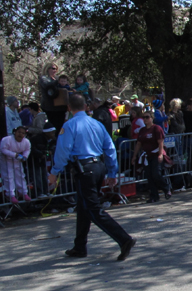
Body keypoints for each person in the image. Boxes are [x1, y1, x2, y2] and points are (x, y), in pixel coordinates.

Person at [48, 93, 136, 261]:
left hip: (84, 169)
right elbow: (110, 148)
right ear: (86, 106)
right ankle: (79, 246)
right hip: (98, 167)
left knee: (92, 209)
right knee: (83, 207)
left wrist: (54, 172)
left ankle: (124, 239)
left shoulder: (69, 125)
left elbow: (63, 150)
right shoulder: (97, 124)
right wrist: (112, 172)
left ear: (69, 108)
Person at [132, 112, 172, 203]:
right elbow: (139, 144)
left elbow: (160, 142)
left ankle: (166, 188)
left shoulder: (156, 128)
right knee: (149, 176)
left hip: (156, 154)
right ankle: (154, 196)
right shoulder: (142, 130)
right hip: (146, 156)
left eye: (147, 117)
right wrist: (134, 156)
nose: (145, 119)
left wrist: (160, 154)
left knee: (156, 174)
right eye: (144, 117)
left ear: (152, 118)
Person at [0, 126, 31, 204]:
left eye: (23, 133)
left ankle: (23, 192)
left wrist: (25, 156)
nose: (20, 134)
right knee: (9, 176)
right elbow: (3, 149)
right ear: (15, 132)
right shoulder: (7, 139)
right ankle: (10, 194)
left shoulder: (26, 141)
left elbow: (27, 149)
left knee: (20, 176)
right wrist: (14, 155)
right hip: (6, 160)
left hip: (17, 160)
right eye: (19, 132)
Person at [38, 62, 68, 134]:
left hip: (61, 107)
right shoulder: (44, 78)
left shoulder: (57, 78)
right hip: (50, 107)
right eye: (53, 68)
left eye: (56, 69)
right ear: (47, 69)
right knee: (53, 127)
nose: (55, 70)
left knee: (60, 127)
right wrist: (57, 81)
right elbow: (47, 86)